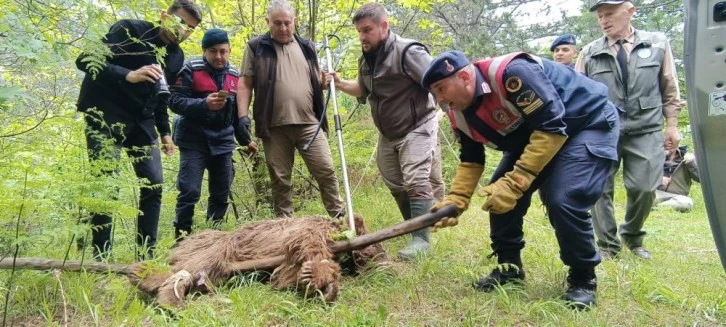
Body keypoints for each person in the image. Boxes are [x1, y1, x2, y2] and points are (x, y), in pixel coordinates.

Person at [423, 50, 620, 309]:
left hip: (586, 123)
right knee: (498, 197)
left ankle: (583, 278)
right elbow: (471, 159)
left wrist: (516, 182)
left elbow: (552, 125)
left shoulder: (512, 73)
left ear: (464, 77)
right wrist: (457, 199)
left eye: (441, 88)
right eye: (434, 94)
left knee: (565, 200)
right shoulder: (458, 113)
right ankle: (509, 269)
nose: (440, 99)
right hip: (539, 135)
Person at [75, 0, 202, 260]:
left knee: (154, 183)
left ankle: (146, 255)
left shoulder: (175, 56)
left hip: (141, 121)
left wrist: (165, 132)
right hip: (105, 114)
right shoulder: (129, 29)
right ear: (164, 16)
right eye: (179, 23)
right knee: (106, 184)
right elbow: (85, 59)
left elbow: (160, 93)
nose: (182, 32)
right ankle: (102, 259)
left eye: (189, 29)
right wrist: (127, 74)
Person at [327, 2, 444, 261]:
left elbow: (436, 81)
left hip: (417, 124)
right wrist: (339, 83)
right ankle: (414, 226)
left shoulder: (407, 51)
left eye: (367, 30)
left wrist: (452, 112)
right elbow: (362, 88)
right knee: (394, 181)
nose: (362, 36)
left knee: (415, 179)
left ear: (384, 26)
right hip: (388, 132)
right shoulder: (366, 58)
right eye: (359, 31)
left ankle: (421, 240)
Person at [575, 0, 682, 260]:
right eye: (600, 16)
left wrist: (672, 126)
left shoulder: (656, 43)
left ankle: (632, 235)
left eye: (609, 14)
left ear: (630, 11)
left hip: (645, 128)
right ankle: (607, 245)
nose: (604, 20)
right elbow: (577, 94)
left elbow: (669, 86)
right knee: (599, 189)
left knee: (645, 187)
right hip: (602, 130)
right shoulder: (589, 52)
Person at [236, 0, 344, 219]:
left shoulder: (307, 47)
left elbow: (315, 81)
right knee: (280, 180)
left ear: (294, 21)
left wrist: (326, 81)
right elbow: (245, 83)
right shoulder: (256, 47)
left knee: (326, 171)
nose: (283, 28)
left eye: (287, 23)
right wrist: (242, 116)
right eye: (277, 23)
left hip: (310, 123)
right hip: (274, 127)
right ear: (268, 22)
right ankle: (286, 228)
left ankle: (340, 218)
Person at [168, 29, 257, 242]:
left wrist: (246, 140)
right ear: (204, 51)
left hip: (224, 142)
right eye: (213, 51)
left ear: (229, 50)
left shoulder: (235, 76)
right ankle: (182, 239)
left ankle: (213, 238)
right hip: (193, 140)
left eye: (223, 51)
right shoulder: (190, 69)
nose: (219, 56)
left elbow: (237, 114)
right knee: (189, 192)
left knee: (221, 192)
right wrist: (203, 104)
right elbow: (174, 102)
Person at [656, 146, 700, 212]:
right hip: (654, 195)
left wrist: (691, 162)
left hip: (677, 197)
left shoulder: (687, 157)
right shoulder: (652, 156)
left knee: (686, 203)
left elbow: (700, 179)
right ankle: (655, 206)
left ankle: (654, 207)